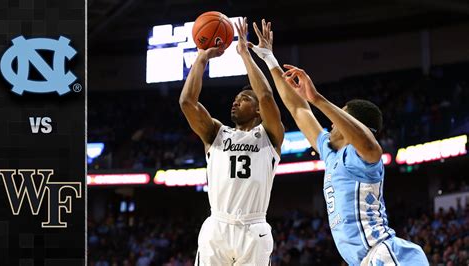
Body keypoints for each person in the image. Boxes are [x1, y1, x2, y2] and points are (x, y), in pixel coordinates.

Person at [249, 18, 429, 266]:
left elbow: (369, 143)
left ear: (352, 124)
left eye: (340, 117)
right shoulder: (331, 153)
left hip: (385, 254)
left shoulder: (364, 159)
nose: (332, 123)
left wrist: (318, 99)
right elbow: (298, 110)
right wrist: (270, 60)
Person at [179, 17, 284, 265]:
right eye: (235, 98)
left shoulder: (269, 135)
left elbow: (267, 96)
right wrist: (202, 58)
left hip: (254, 228)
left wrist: (245, 54)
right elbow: (187, 103)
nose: (235, 101)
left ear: (258, 110)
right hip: (217, 226)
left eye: (244, 98)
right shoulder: (216, 133)